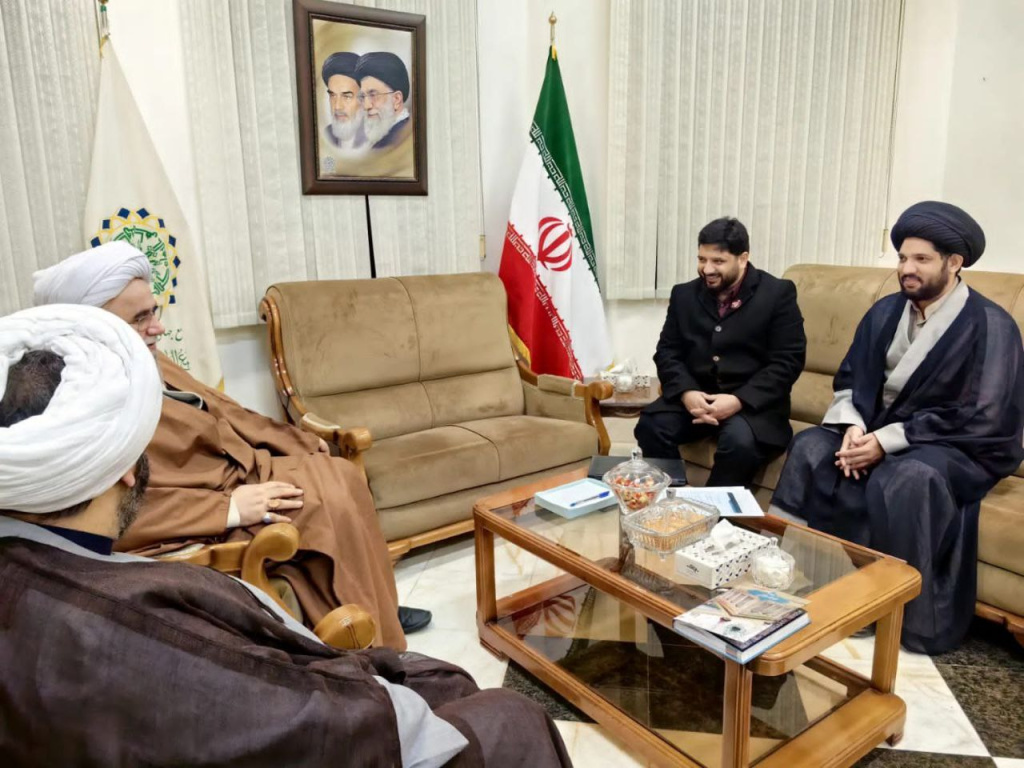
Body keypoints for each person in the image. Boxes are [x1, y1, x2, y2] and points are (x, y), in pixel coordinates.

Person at [0, 304, 573, 766]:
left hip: (263, 549)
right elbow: (313, 720)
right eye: (141, 315)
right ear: (127, 466)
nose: (157, 325)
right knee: (513, 716)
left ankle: (381, 617)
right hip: (345, 711)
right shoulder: (141, 620)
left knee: (335, 481)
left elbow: (234, 415)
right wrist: (399, 685)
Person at [33, 242, 430, 650]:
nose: (158, 328)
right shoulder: (80, 402)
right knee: (325, 498)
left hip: (238, 468)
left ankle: (376, 605)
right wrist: (229, 508)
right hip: (203, 505)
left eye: (154, 311)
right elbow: (110, 509)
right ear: (97, 325)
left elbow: (225, 411)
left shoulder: (144, 355)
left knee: (341, 473)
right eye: (140, 318)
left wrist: (296, 441)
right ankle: (372, 639)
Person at [771, 201, 1024, 654]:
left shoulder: (992, 325)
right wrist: (853, 426)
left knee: (906, 476)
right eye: (903, 258)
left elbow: (982, 415)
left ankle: (891, 610)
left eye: (921, 259)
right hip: (878, 428)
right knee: (811, 446)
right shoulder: (886, 311)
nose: (907, 269)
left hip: (959, 445)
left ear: (954, 262)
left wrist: (886, 443)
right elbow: (850, 377)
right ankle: (803, 581)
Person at [635, 217, 806, 486]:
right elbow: (667, 352)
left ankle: (712, 509)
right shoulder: (684, 295)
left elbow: (788, 361)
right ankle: (673, 499)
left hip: (751, 406)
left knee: (739, 444)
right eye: (702, 259)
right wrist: (687, 393)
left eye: (718, 261)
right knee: (651, 426)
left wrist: (738, 400)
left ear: (743, 258)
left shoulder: (777, 294)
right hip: (697, 398)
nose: (707, 269)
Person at [356, 51, 413, 150]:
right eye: (362, 96)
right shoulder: (384, 139)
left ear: (396, 99)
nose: (366, 106)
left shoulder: (395, 143)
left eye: (373, 95)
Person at [321, 51, 367, 151]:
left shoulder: (378, 140)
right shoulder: (327, 135)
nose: (337, 106)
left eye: (347, 97)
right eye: (333, 95)